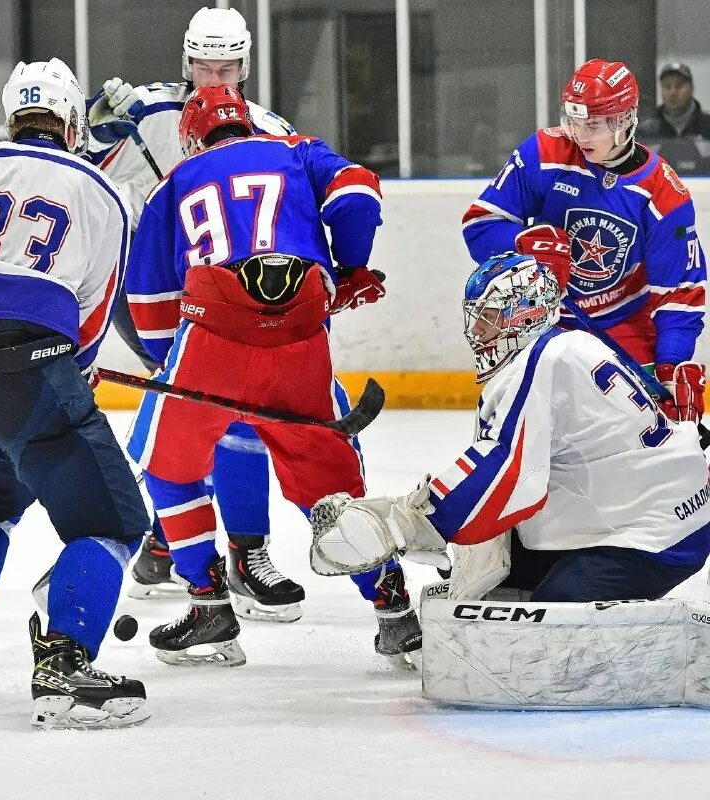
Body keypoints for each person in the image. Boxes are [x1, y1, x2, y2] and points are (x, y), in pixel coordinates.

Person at [124, 84, 418, 668]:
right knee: (329, 487)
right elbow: (359, 193)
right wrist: (352, 267)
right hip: (299, 343)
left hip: (211, 341)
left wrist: (169, 367)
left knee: (166, 466)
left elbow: (149, 294)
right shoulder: (298, 151)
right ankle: (394, 611)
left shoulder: (173, 184)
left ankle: (209, 604)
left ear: (191, 136)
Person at [0, 58, 151, 729]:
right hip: (30, 370)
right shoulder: (101, 191)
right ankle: (65, 662)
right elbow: (94, 319)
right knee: (113, 522)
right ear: (72, 122)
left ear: (11, 115)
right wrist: (73, 369)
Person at [309, 252, 710, 608]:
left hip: (658, 532)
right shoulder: (565, 346)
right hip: (641, 505)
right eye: (476, 318)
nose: (477, 332)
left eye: (488, 318)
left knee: (557, 613)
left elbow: (508, 467)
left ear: (526, 312)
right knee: (498, 580)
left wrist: (408, 521)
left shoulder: (541, 361)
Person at [88, 6, 306, 620]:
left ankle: (171, 543)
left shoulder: (271, 129)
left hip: (238, 298)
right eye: (204, 66)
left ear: (245, 64)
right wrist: (94, 132)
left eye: (227, 67)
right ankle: (240, 553)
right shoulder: (149, 116)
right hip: (155, 292)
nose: (215, 79)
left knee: (220, 417)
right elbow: (87, 183)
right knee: (218, 417)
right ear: (186, 61)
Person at [462, 58, 707, 426]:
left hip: (625, 327)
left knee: (653, 443)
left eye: (593, 125)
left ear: (624, 121)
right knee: (509, 429)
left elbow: (679, 292)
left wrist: (671, 365)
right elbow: (480, 226)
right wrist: (526, 244)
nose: (581, 134)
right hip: (544, 321)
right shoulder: (545, 153)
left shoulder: (664, 194)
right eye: (574, 121)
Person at [638, 61, 710, 139]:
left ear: (691, 89)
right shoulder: (646, 130)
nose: (673, 93)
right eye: (667, 86)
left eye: (679, 86)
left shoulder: (707, 126)